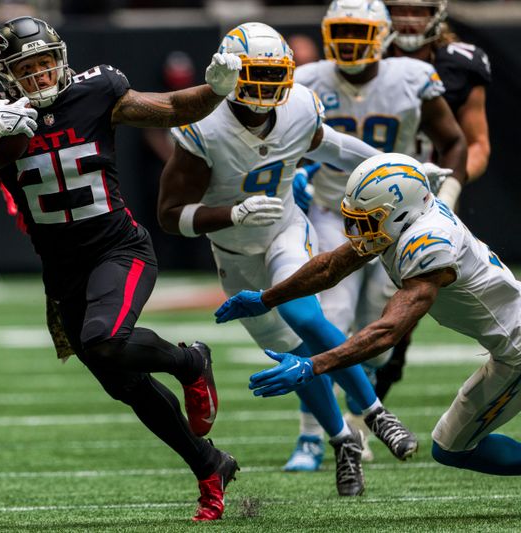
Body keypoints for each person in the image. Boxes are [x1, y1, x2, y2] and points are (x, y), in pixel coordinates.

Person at [0, 16, 243, 521]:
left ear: (60, 58)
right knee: (121, 381)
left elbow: (169, 108)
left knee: (105, 340)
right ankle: (210, 466)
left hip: (118, 248)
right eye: (27, 68)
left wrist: (214, 91)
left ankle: (191, 361)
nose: (40, 76)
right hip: (63, 271)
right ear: (6, 75)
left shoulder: (96, 91)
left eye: (45, 63)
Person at [158, 22, 423, 497]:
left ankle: (377, 414)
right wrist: (229, 212)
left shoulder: (299, 104)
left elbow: (336, 147)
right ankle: (342, 441)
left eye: (275, 74)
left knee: (304, 314)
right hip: (236, 254)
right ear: (229, 73)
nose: (268, 87)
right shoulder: (203, 124)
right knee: (292, 356)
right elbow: (169, 216)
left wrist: (399, 168)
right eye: (256, 74)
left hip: (285, 229)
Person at [220, 152, 521, 478]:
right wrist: (267, 298)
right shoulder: (404, 220)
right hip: (509, 344)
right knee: (449, 446)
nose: (355, 228)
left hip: (516, 348)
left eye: (366, 219)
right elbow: (331, 266)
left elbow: (388, 331)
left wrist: (313, 365)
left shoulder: (428, 242)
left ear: (399, 212)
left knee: (452, 447)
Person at [287, 0, 467, 468]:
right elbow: (286, 138)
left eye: (359, 31)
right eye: (341, 31)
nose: (348, 42)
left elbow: (454, 139)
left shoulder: (410, 76)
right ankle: (313, 434)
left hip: (402, 219)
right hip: (333, 210)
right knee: (331, 319)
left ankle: (359, 424)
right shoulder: (307, 79)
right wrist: (295, 179)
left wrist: (448, 190)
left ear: (383, 34)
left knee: (379, 330)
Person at [377, 0, 492, 400]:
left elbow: (476, 144)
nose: (408, 19)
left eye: (418, 10)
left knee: (411, 298)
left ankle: (374, 394)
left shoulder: (461, 63)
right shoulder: (365, 56)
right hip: (368, 196)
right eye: (398, 9)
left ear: (437, 14)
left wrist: (447, 190)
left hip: (429, 201)